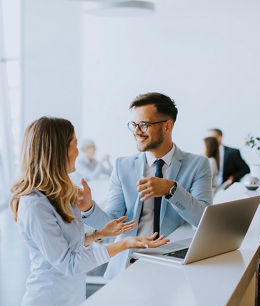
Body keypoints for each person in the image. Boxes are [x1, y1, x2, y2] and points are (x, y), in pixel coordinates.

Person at [10, 117, 169, 306]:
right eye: (75, 144)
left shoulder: (56, 194)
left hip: (70, 303)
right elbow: (69, 263)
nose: (78, 151)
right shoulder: (33, 205)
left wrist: (99, 234)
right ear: (58, 151)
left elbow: (69, 245)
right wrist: (124, 244)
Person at [83, 92, 213, 279]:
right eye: (133, 125)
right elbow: (111, 223)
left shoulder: (197, 165)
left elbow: (204, 220)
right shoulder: (122, 166)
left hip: (173, 266)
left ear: (167, 126)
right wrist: (88, 208)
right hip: (127, 264)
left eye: (144, 124)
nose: (136, 131)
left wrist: (171, 190)